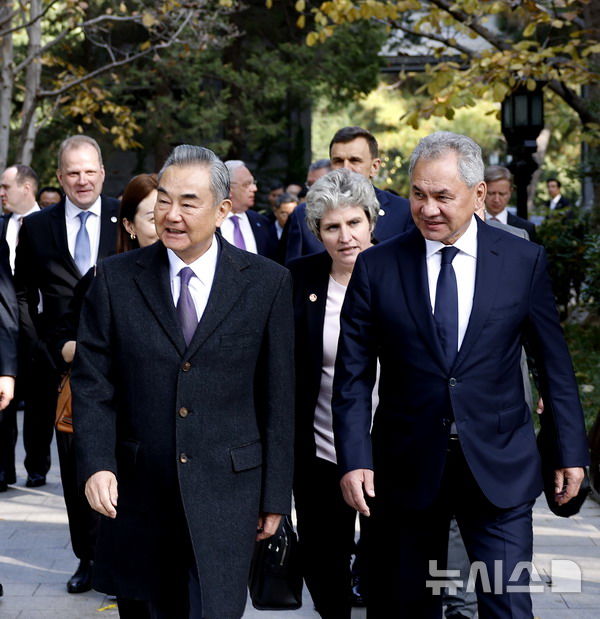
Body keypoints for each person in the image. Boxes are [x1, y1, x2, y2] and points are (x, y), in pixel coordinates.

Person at [332, 131, 589, 618]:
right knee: (406, 607)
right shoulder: (377, 267)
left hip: (500, 469)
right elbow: (352, 377)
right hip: (405, 471)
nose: (428, 208)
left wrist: (570, 451)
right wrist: (354, 458)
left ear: (477, 195)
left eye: (443, 197)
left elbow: (553, 364)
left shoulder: (521, 260)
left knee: (507, 606)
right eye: (418, 194)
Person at [72, 144, 294, 618]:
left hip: (228, 496)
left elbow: (278, 397)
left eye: (188, 202)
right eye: (165, 201)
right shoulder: (115, 279)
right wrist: (96, 464)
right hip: (137, 494)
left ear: (222, 210)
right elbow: (93, 383)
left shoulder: (265, 283)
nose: (171, 215)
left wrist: (275, 496)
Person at [14, 135, 119, 594]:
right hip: (65, 373)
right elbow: (20, 294)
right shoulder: (38, 229)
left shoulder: (126, 219)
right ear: (59, 177)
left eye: (90, 170)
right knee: (77, 467)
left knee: (121, 466)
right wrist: (47, 348)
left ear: (102, 172)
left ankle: (120, 558)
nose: (82, 179)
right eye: (72, 172)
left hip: (124, 367)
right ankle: (88, 559)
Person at [289, 168, 379, 619]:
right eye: (331, 227)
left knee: (391, 569)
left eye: (354, 223)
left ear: (372, 222)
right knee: (324, 567)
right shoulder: (296, 282)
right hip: (321, 450)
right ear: (317, 232)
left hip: (392, 451)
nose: (345, 237)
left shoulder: (405, 272)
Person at [284, 126, 413, 263]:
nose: (345, 168)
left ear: (374, 167)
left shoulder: (404, 211)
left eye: (354, 160)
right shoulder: (303, 214)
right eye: (338, 161)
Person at [222, 160, 278, 259]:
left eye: (254, 183)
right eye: (247, 184)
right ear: (229, 189)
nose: (254, 188)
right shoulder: (209, 223)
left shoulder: (262, 222)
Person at [484, 165, 537, 241]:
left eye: (502, 194)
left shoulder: (525, 228)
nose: (496, 199)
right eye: (491, 193)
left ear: (510, 192)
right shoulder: (469, 224)